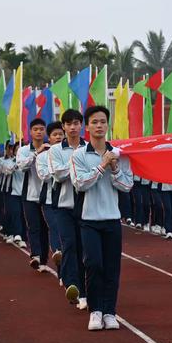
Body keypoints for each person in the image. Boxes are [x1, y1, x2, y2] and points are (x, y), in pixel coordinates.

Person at [70, 106, 133, 331]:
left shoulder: (119, 154)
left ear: (108, 125)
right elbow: (80, 184)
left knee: (112, 268)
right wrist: (102, 166)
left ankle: (109, 311)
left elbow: (127, 186)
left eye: (103, 122)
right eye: (94, 122)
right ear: (87, 126)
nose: (99, 125)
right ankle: (95, 311)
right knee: (94, 264)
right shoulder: (78, 155)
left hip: (112, 219)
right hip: (89, 219)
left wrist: (114, 167)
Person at [48, 109, 87, 308]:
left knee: (84, 248)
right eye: (68, 124)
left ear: (82, 125)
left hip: (86, 206)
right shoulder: (55, 150)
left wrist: (74, 166)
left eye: (76, 123)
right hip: (63, 206)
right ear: (63, 127)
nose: (73, 127)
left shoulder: (88, 147)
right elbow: (58, 174)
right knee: (70, 245)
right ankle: (74, 286)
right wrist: (77, 165)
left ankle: (83, 288)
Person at [16, 118, 50, 270]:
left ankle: (43, 259)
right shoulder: (23, 150)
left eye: (41, 129)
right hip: (29, 194)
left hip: (47, 195)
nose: (39, 132)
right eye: (35, 129)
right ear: (30, 132)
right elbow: (22, 166)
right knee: (33, 225)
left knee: (45, 228)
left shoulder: (51, 149)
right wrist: (37, 153)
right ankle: (35, 254)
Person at [36, 121, 64, 270]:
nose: (58, 137)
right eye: (55, 134)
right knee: (54, 227)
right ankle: (57, 253)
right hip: (48, 199)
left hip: (67, 199)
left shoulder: (70, 152)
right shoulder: (42, 157)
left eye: (60, 134)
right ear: (49, 137)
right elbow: (44, 176)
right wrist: (59, 170)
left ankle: (65, 269)